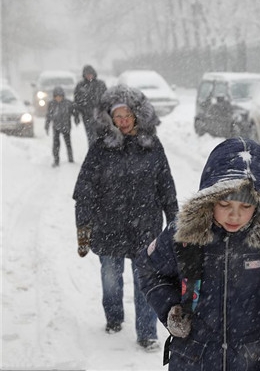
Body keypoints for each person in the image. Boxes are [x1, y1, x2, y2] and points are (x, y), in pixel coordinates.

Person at [135, 137, 260, 370]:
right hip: (196, 357)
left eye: (245, 207)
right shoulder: (186, 233)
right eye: (225, 205)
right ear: (210, 200)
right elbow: (148, 268)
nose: (234, 216)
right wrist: (170, 308)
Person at [73, 84, 178, 352]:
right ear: (109, 118)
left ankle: (147, 333)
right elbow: (85, 188)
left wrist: (175, 222)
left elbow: (165, 185)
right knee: (110, 279)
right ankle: (114, 318)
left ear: (138, 115)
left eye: (127, 115)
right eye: (116, 116)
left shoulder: (152, 146)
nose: (122, 121)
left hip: (145, 227)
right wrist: (83, 226)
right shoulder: (100, 148)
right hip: (108, 225)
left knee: (146, 282)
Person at [44, 86, 79, 167]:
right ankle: (56, 160)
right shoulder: (51, 104)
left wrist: (76, 119)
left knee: (68, 143)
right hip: (56, 127)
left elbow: (74, 112)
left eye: (60, 96)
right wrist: (47, 125)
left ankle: (70, 159)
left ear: (63, 96)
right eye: (56, 96)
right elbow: (48, 116)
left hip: (66, 127)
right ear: (54, 97)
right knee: (56, 144)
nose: (58, 98)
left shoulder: (68, 103)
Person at [74, 64, 107, 145]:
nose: (89, 76)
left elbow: (107, 99)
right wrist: (76, 115)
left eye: (90, 74)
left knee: (101, 136)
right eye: (87, 74)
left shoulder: (100, 84)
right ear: (84, 75)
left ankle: (102, 154)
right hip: (86, 116)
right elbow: (76, 102)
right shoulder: (80, 86)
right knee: (90, 137)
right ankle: (93, 154)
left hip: (100, 115)